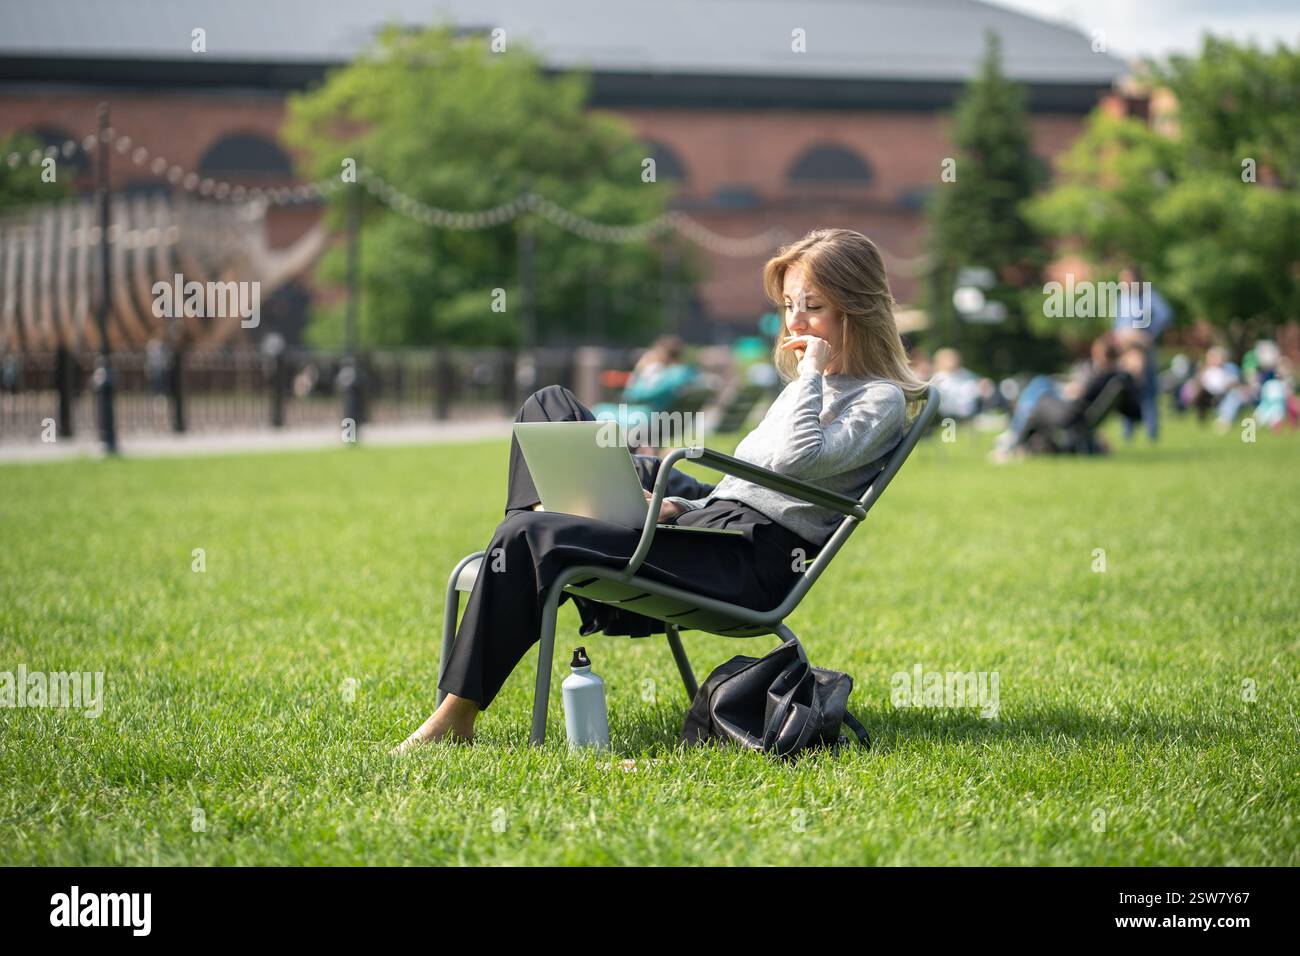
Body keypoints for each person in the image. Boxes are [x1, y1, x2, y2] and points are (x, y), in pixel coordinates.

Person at [393, 228, 927, 752]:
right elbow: (741, 485)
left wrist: (810, 374)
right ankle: (555, 528)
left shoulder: (876, 399)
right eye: (788, 305)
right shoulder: (807, 389)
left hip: (747, 561)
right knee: (550, 405)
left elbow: (793, 462)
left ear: (854, 309)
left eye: (811, 305)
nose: (794, 322)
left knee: (527, 534)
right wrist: (674, 505)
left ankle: (460, 706)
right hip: (713, 520)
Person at [1113, 265, 1173, 442]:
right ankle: (1127, 433)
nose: (1123, 283)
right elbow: (1117, 323)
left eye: (1126, 279)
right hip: (1125, 350)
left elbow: (1165, 315)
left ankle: (1151, 433)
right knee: (1126, 390)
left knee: (1147, 392)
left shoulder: (1148, 296)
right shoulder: (1122, 298)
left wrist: (1148, 334)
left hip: (1142, 349)